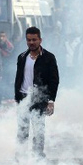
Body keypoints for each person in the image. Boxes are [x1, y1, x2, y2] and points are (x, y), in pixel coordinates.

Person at [14, 27, 59, 158]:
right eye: (28, 40)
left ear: (40, 40)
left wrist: (51, 101)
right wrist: (17, 97)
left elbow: (54, 80)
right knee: (22, 130)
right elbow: (18, 77)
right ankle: (20, 158)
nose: (31, 42)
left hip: (39, 98)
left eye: (34, 40)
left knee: (38, 130)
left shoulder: (49, 58)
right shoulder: (22, 57)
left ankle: (38, 157)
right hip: (23, 97)